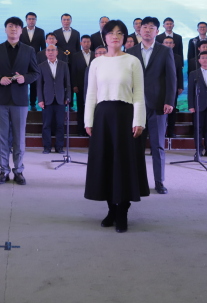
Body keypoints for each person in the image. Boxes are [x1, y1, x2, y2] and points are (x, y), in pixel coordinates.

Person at [84, 20, 145, 233]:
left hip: (125, 117)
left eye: (120, 33)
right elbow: (91, 93)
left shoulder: (132, 61)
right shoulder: (97, 63)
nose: (115, 36)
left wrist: (139, 121)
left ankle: (122, 212)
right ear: (104, 37)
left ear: (125, 37)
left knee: (124, 164)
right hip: (102, 117)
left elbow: (139, 94)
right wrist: (88, 121)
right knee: (106, 164)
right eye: (111, 33)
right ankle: (111, 210)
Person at [0, 16, 40, 185]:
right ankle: (3, 171)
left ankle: (19, 171)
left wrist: (25, 78)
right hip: (0, 99)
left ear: (21, 30)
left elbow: (36, 73)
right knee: (2, 137)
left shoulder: (29, 50)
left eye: (16, 26)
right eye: (10, 26)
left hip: (20, 99)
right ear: (5, 29)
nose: (13, 29)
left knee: (19, 137)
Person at [127, 16, 176, 194]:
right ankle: (137, 182)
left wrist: (169, 101)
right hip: (135, 106)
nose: (147, 30)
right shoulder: (131, 51)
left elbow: (171, 77)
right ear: (139, 30)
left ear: (157, 31)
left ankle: (159, 181)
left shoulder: (165, 51)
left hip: (158, 106)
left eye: (151, 28)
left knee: (158, 146)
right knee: (136, 147)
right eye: (144, 27)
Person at [37, 44, 71, 154]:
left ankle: (59, 147)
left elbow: (67, 83)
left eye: (53, 50)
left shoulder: (63, 65)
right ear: (45, 53)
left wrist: (68, 97)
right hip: (47, 100)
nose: (50, 52)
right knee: (46, 125)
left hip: (61, 99)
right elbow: (39, 85)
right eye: (48, 50)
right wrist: (40, 99)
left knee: (60, 125)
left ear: (57, 52)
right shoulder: (41, 66)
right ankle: (47, 147)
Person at [187, 52, 207, 158]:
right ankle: (198, 150)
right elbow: (190, 91)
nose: (205, 60)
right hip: (198, 106)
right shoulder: (193, 74)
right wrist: (191, 105)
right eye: (203, 58)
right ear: (199, 60)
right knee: (198, 129)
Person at [19, 12, 46, 111]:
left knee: (34, 83)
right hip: (23, 61)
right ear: (26, 20)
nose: (31, 21)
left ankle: (33, 103)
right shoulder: (21, 31)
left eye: (33, 19)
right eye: (29, 19)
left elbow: (43, 47)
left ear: (36, 20)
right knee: (22, 82)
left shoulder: (40, 31)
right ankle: (22, 102)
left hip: (36, 61)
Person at [162, 36, 184, 138]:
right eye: (166, 42)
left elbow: (179, 73)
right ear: (163, 44)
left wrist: (180, 86)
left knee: (172, 110)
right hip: (160, 88)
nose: (168, 44)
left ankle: (170, 131)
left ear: (174, 45)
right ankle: (160, 132)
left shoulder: (177, 57)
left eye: (170, 43)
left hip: (172, 88)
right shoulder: (158, 55)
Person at [70, 35, 93, 136]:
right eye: (84, 42)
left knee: (92, 108)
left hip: (93, 86)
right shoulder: (75, 55)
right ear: (81, 43)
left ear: (90, 43)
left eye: (88, 42)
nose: (86, 44)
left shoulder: (95, 55)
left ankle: (92, 130)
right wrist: (74, 85)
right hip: (80, 86)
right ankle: (81, 130)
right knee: (81, 108)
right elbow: (73, 71)